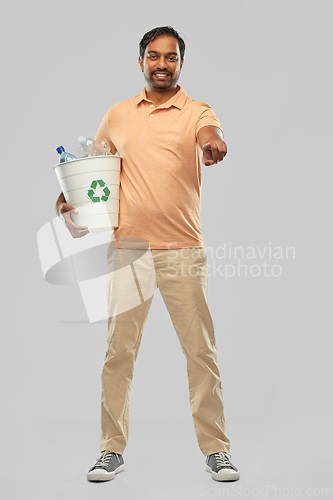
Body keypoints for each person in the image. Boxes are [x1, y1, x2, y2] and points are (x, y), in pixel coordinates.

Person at [56, 26, 240, 483]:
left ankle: (217, 450)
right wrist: (66, 203)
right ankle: (110, 450)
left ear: (181, 63)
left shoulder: (198, 112)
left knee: (201, 353)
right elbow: (91, 172)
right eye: (154, 56)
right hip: (128, 251)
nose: (162, 64)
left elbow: (211, 134)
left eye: (171, 57)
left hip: (182, 250)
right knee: (119, 353)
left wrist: (214, 144)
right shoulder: (118, 115)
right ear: (141, 61)